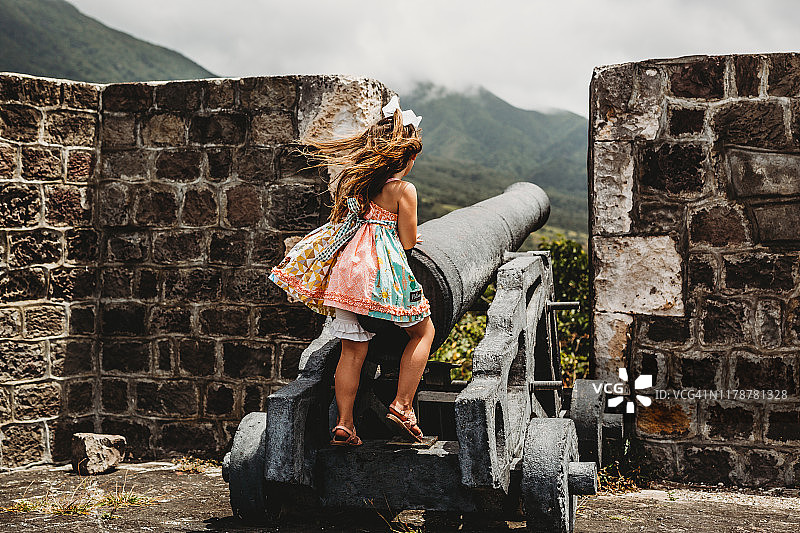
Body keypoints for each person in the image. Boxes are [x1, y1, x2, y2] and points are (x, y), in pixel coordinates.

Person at [269, 96, 435, 447]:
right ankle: (403, 405)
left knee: (352, 350)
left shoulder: (356, 184)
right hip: (377, 275)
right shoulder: (403, 190)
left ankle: (344, 424)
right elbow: (407, 241)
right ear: (407, 157)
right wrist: (405, 234)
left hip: (346, 272)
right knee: (423, 332)